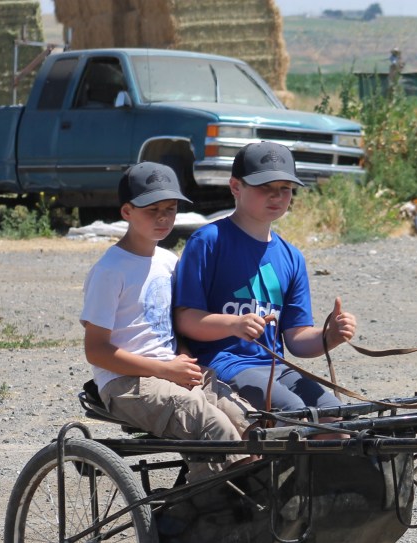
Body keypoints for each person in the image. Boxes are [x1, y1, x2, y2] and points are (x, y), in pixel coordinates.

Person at [80, 161, 252, 477]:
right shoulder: (110, 270)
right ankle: (216, 502)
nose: (163, 217)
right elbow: (96, 350)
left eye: (170, 209)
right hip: (125, 383)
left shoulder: (169, 261)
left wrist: (183, 360)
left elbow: (172, 327)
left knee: (252, 423)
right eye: (152, 210)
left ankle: (255, 492)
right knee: (211, 425)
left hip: (171, 372)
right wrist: (165, 369)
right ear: (127, 211)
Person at [172, 141, 356, 418]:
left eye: (285, 188)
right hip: (222, 364)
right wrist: (234, 324)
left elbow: (297, 338)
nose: (276, 196)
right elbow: (185, 320)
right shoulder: (208, 241)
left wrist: (330, 336)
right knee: (294, 413)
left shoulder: (291, 256)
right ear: (235, 187)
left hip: (275, 367)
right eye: (264, 187)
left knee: (337, 414)